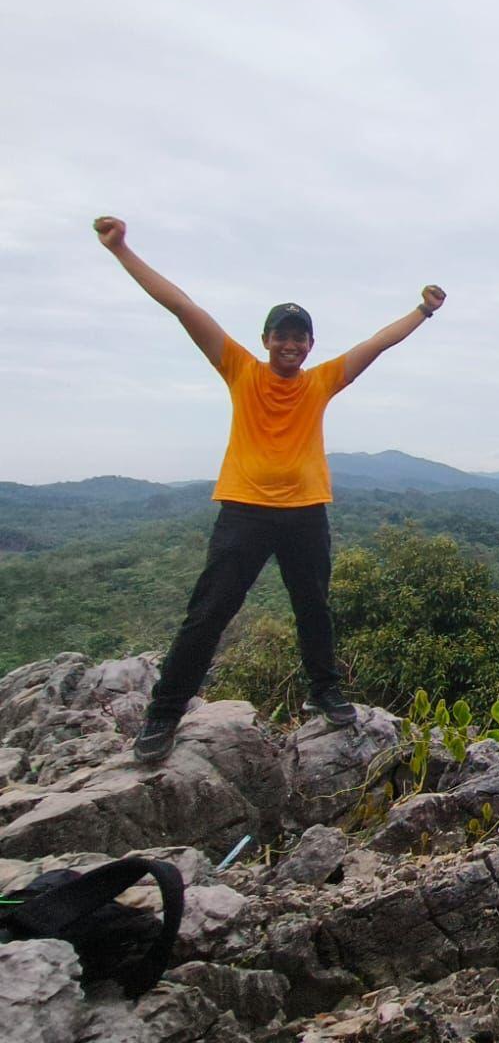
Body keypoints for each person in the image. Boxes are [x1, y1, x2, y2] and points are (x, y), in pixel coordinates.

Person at [92, 215, 447, 763]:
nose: (289, 343)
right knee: (209, 612)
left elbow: (377, 343)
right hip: (245, 513)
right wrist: (122, 250)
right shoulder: (240, 369)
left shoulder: (321, 380)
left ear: (309, 345)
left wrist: (422, 311)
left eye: (297, 336)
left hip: (306, 513)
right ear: (265, 341)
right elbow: (183, 306)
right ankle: (163, 713)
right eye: (280, 334)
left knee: (313, 607)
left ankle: (325, 691)